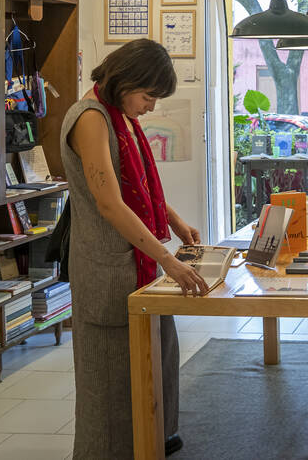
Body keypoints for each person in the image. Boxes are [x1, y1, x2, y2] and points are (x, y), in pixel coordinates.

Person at [61, 39, 208, 458]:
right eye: (148, 96)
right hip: (109, 266)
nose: (151, 107)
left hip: (137, 260)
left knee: (158, 354)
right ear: (126, 82)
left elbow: (137, 182)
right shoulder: (91, 119)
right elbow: (109, 202)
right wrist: (167, 258)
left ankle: (155, 435)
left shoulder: (117, 114)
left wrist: (174, 222)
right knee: (109, 379)